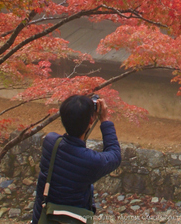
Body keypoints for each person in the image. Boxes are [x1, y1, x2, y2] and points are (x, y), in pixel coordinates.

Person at [31, 94, 121, 224]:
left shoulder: (51, 143)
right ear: (91, 120)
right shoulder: (92, 161)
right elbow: (115, 155)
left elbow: (72, 142)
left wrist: (77, 110)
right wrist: (104, 119)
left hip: (43, 218)